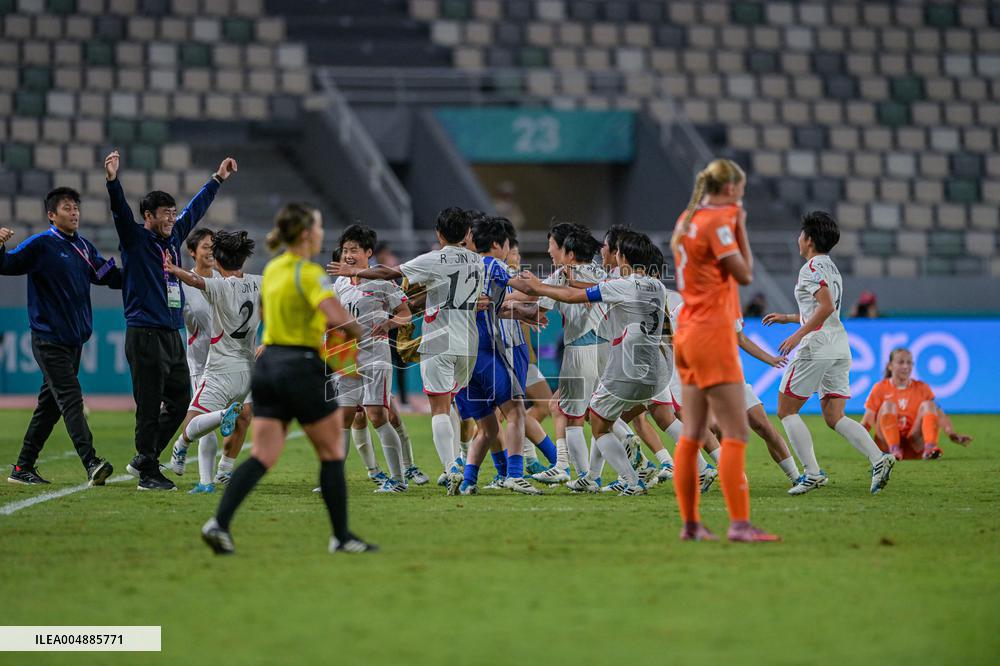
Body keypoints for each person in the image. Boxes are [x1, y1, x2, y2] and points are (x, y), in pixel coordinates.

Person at [201, 203, 373, 555]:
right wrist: (358, 333)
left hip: (268, 366)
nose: (323, 234)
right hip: (302, 365)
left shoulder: (273, 269)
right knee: (331, 452)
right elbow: (341, 321)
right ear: (308, 234)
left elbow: (266, 312)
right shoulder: (310, 275)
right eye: (319, 227)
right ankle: (341, 536)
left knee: (263, 454)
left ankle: (218, 523)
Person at [104, 149, 237, 491]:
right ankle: (148, 471)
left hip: (170, 333)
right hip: (144, 332)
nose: (171, 219)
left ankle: (143, 458)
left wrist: (217, 178)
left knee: (179, 400)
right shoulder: (135, 240)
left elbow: (195, 209)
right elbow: (119, 212)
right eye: (165, 214)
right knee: (149, 404)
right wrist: (113, 182)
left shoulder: (174, 239)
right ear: (148, 216)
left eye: (172, 214)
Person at [328, 208, 485, 485]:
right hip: (470, 339)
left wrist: (356, 271)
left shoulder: (434, 259)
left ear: (438, 233)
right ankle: (457, 459)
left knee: (438, 406)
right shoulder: (478, 262)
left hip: (440, 336)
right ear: (467, 233)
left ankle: (450, 469)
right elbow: (443, 291)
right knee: (452, 402)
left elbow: (391, 273)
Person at [670, 159, 778, 542]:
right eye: (742, 188)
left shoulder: (687, 218)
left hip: (686, 332)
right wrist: (740, 227)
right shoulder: (719, 222)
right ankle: (739, 524)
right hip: (713, 334)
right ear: (730, 189)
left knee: (693, 433)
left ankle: (691, 525)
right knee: (735, 433)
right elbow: (745, 274)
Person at [516, 231, 668, 496]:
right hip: (647, 364)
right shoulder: (654, 285)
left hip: (595, 355)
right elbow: (592, 289)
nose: (609, 254)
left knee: (581, 417)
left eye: (552, 246)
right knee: (601, 413)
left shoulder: (602, 281)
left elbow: (562, 298)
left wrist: (532, 288)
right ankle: (617, 465)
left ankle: (612, 476)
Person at [764, 211, 896, 496]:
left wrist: (797, 335)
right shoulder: (831, 268)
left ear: (809, 240)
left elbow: (823, 308)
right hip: (838, 345)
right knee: (834, 416)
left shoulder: (810, 269)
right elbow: (824, 308)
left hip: (817, 347)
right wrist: (789, 318)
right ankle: (879, 459)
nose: (798, 239)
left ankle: (811, 473)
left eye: (801, 235)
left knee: (786, 411)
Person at [0, 188, 120, 486]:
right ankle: (91, 462)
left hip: (73, 340)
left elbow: (106, 275)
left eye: (76, 206)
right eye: (67, 207)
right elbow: (7, 265)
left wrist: (142, 274)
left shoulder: (83, 246)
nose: (75, 212)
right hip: (48, 337)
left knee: (50, 405)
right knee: (71, 398)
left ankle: (22, 468)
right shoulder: (41, 244)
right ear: (52, 215)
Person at [165, 231, 260, 494]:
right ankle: (209, 477)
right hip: (246, 369)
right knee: (229, 417)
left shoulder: (219, 284)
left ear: (217, 260)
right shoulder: (258, 282)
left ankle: (186, 450)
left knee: (195, 423)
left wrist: (173, 269)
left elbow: (195, 281)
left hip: (219, 367)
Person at [330, 225, 412, 493]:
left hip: (375, 355)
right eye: (345, 250)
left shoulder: (382, 282)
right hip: (346, 357)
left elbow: (406, 313)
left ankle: (398, 480)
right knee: (342, 417)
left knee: (377, 416)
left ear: (368, 253)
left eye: (354, 250)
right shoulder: (340, 283)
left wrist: (389, 324)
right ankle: (334, 480)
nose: (349, 255)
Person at [861, 348, 972, 460]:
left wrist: (951, 433)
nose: (906, 366)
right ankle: (894, 449)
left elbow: (940, 414)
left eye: (909, 362)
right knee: (888, 406)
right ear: (890, 366)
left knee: (929, 405)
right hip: (886, 447)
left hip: (914, 444)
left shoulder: (922, 388)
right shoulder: (880, 388)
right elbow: (867, 420)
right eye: (901, 362)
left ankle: (930, 448)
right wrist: (855, 436)